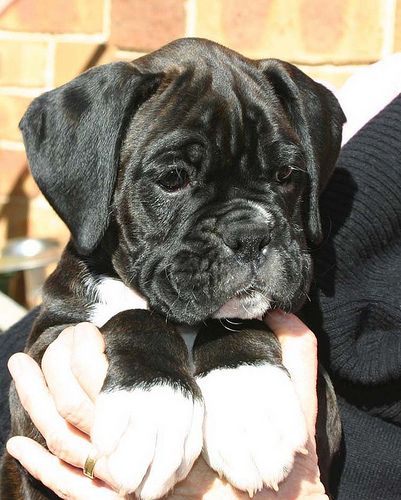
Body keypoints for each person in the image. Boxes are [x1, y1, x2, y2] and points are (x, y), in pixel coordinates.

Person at [1, 57, 401, 499]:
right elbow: (34, 400)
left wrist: (241, 348)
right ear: (92, 172)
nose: (250, 232)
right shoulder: (86, 290)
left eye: (283, 176)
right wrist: (138, 339)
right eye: (174, 178)